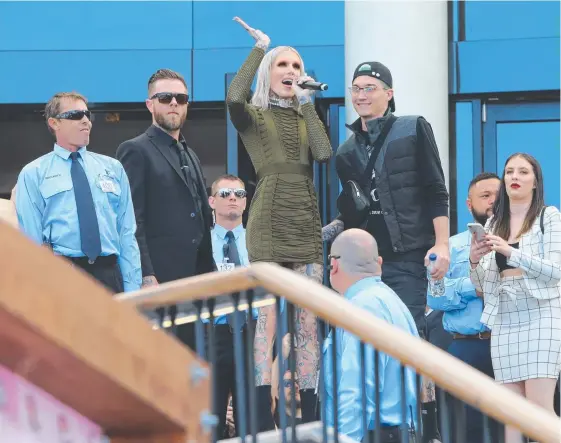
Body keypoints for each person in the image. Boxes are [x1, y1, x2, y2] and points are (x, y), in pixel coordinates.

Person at [226, 17, 332, 426]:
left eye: (296, 66)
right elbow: (234, 96)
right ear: (269, 73)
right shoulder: (252, 114)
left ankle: (308, 419)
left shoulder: (307, 114)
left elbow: (323, 155)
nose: (291, 72)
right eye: (282, 65)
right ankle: (258, 420)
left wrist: (308, 103)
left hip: (305, 218)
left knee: (308, 323)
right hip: (269, 217)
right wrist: (259, 48)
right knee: (266, 322)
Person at [322, 61, 450, 334]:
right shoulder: (345, 152)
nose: (361, 96)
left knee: (407, 337)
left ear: (388, 94)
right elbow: (353, 211)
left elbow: (435, 189)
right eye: (356, 89)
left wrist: (442, 244)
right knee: (366, 339)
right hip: (366, 262)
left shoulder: (412, 128)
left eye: (370, 88)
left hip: (408, 257)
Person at [116, 69, 215, 350]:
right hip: (160, 282)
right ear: (150, 104)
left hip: (196, 284)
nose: (174, 103)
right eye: (165, 97)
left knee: (193, 367)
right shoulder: (135, 150)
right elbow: (133, 219)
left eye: (181, 98)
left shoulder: (190, 153)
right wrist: (146, 275)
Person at [469, 153, 560, 443]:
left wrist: (510, 251)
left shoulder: (549, 216)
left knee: (539, 408)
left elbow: (555, 271)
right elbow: (482, 285)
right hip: (505, 317)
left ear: (535, 182)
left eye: (523, 172)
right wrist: (474, 261)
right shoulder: (495, 223)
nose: (515, 177)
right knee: (511, 414)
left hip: (542, 312)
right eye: (509, 172)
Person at [15, 92, 141, 294]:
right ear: (54, 123)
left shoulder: (113, 168)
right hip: (63, 274)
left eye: (87, 114)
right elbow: (32, 242)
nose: (85, 121)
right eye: (75, 115)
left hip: (109, 275)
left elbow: (126, 233)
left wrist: (133, 289)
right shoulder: (34, 174)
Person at [325, 229, 418, 443]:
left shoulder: (363, 307)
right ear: (380, 263)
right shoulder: (392, 301)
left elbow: (356, 390)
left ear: (334, 265)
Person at [428, 172, 500, 443]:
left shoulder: (517, 244)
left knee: (512, 428)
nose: (493, 201)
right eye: (485, 196)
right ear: (469, 205)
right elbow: (434, 297)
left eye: (497, 195)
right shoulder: (448, 247)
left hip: (509, 346)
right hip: (465, 346)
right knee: (464, 432)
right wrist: (472, 287)